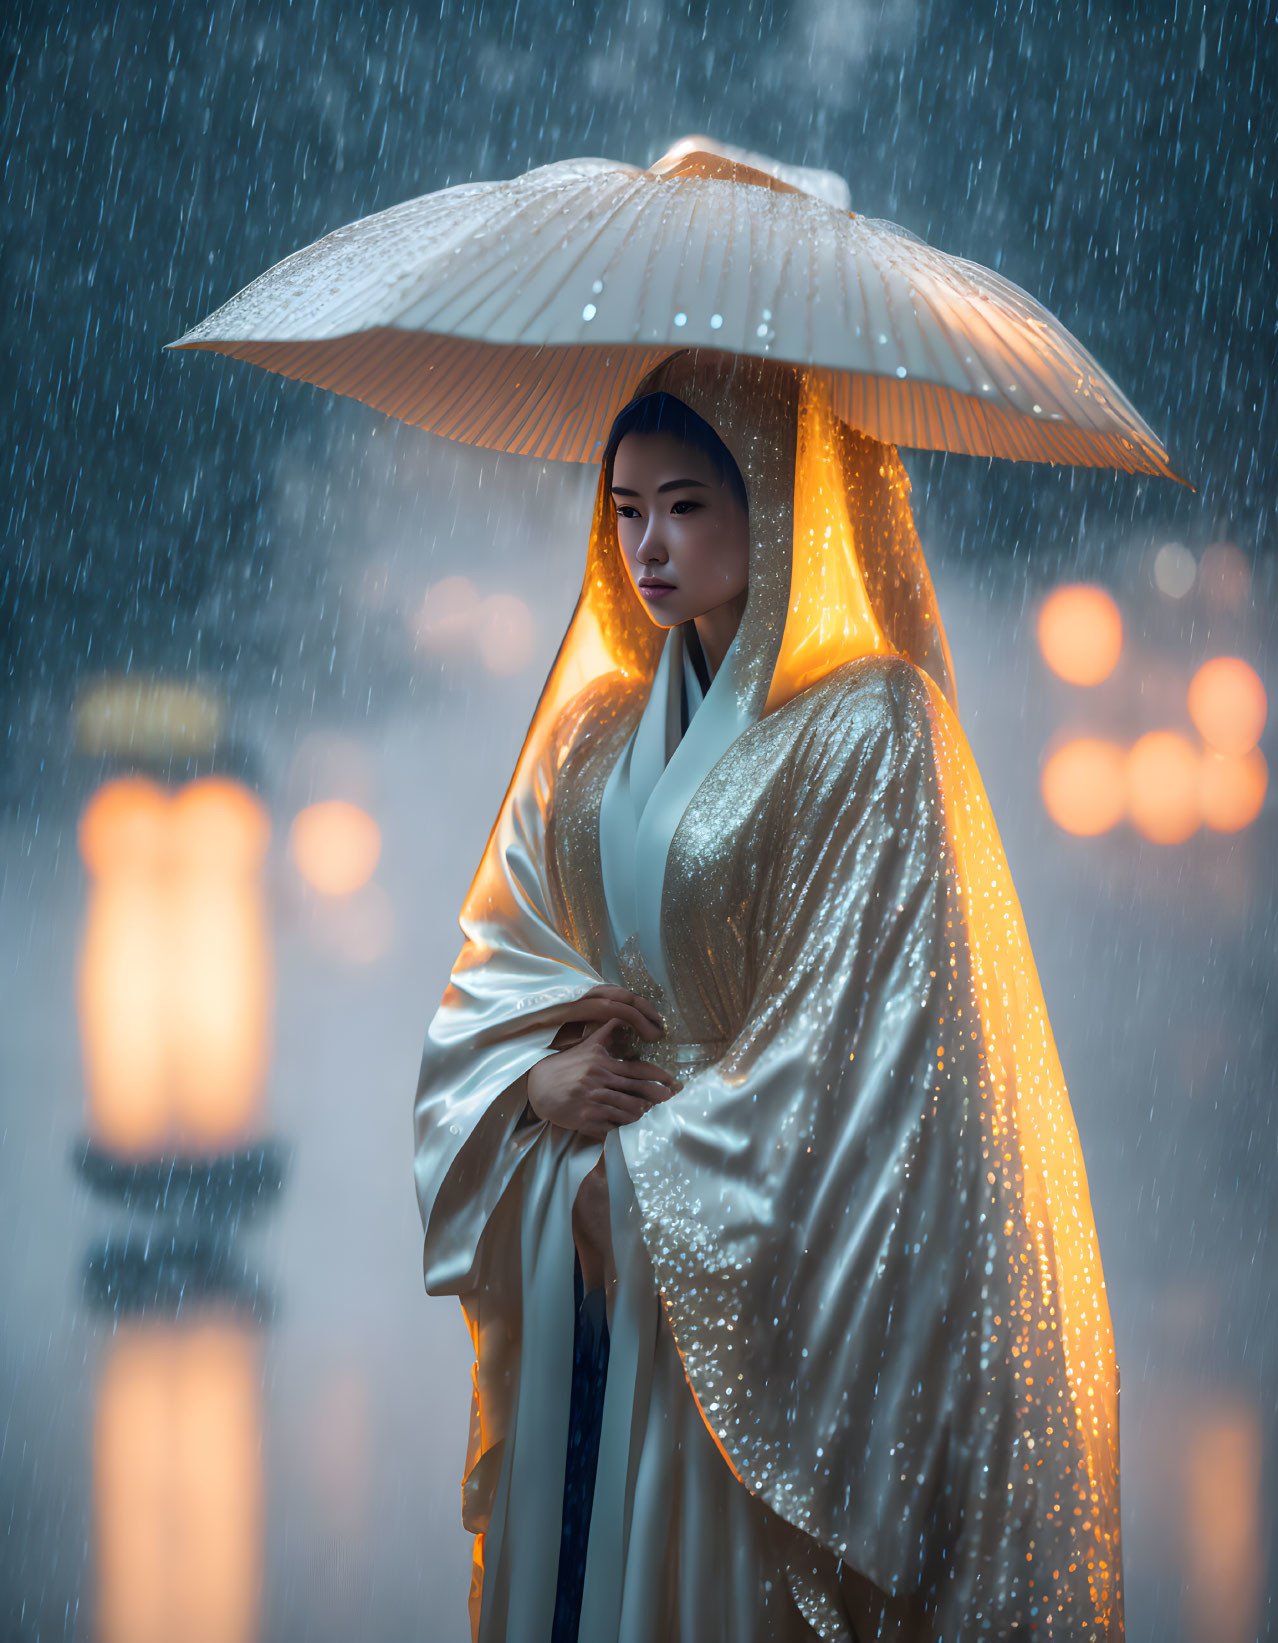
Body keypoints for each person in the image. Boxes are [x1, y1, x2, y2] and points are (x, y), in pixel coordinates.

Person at [413, 349, 1124, 1643]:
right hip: (587, 1253)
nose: (648, 545)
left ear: (780, 504)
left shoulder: (871, 728)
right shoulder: (587, 738)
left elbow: (861, 1054)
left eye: (687, 503)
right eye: (624, 508)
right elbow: (492, 974)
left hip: (737, 1270)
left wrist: (620, 1189)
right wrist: (530, 1083)